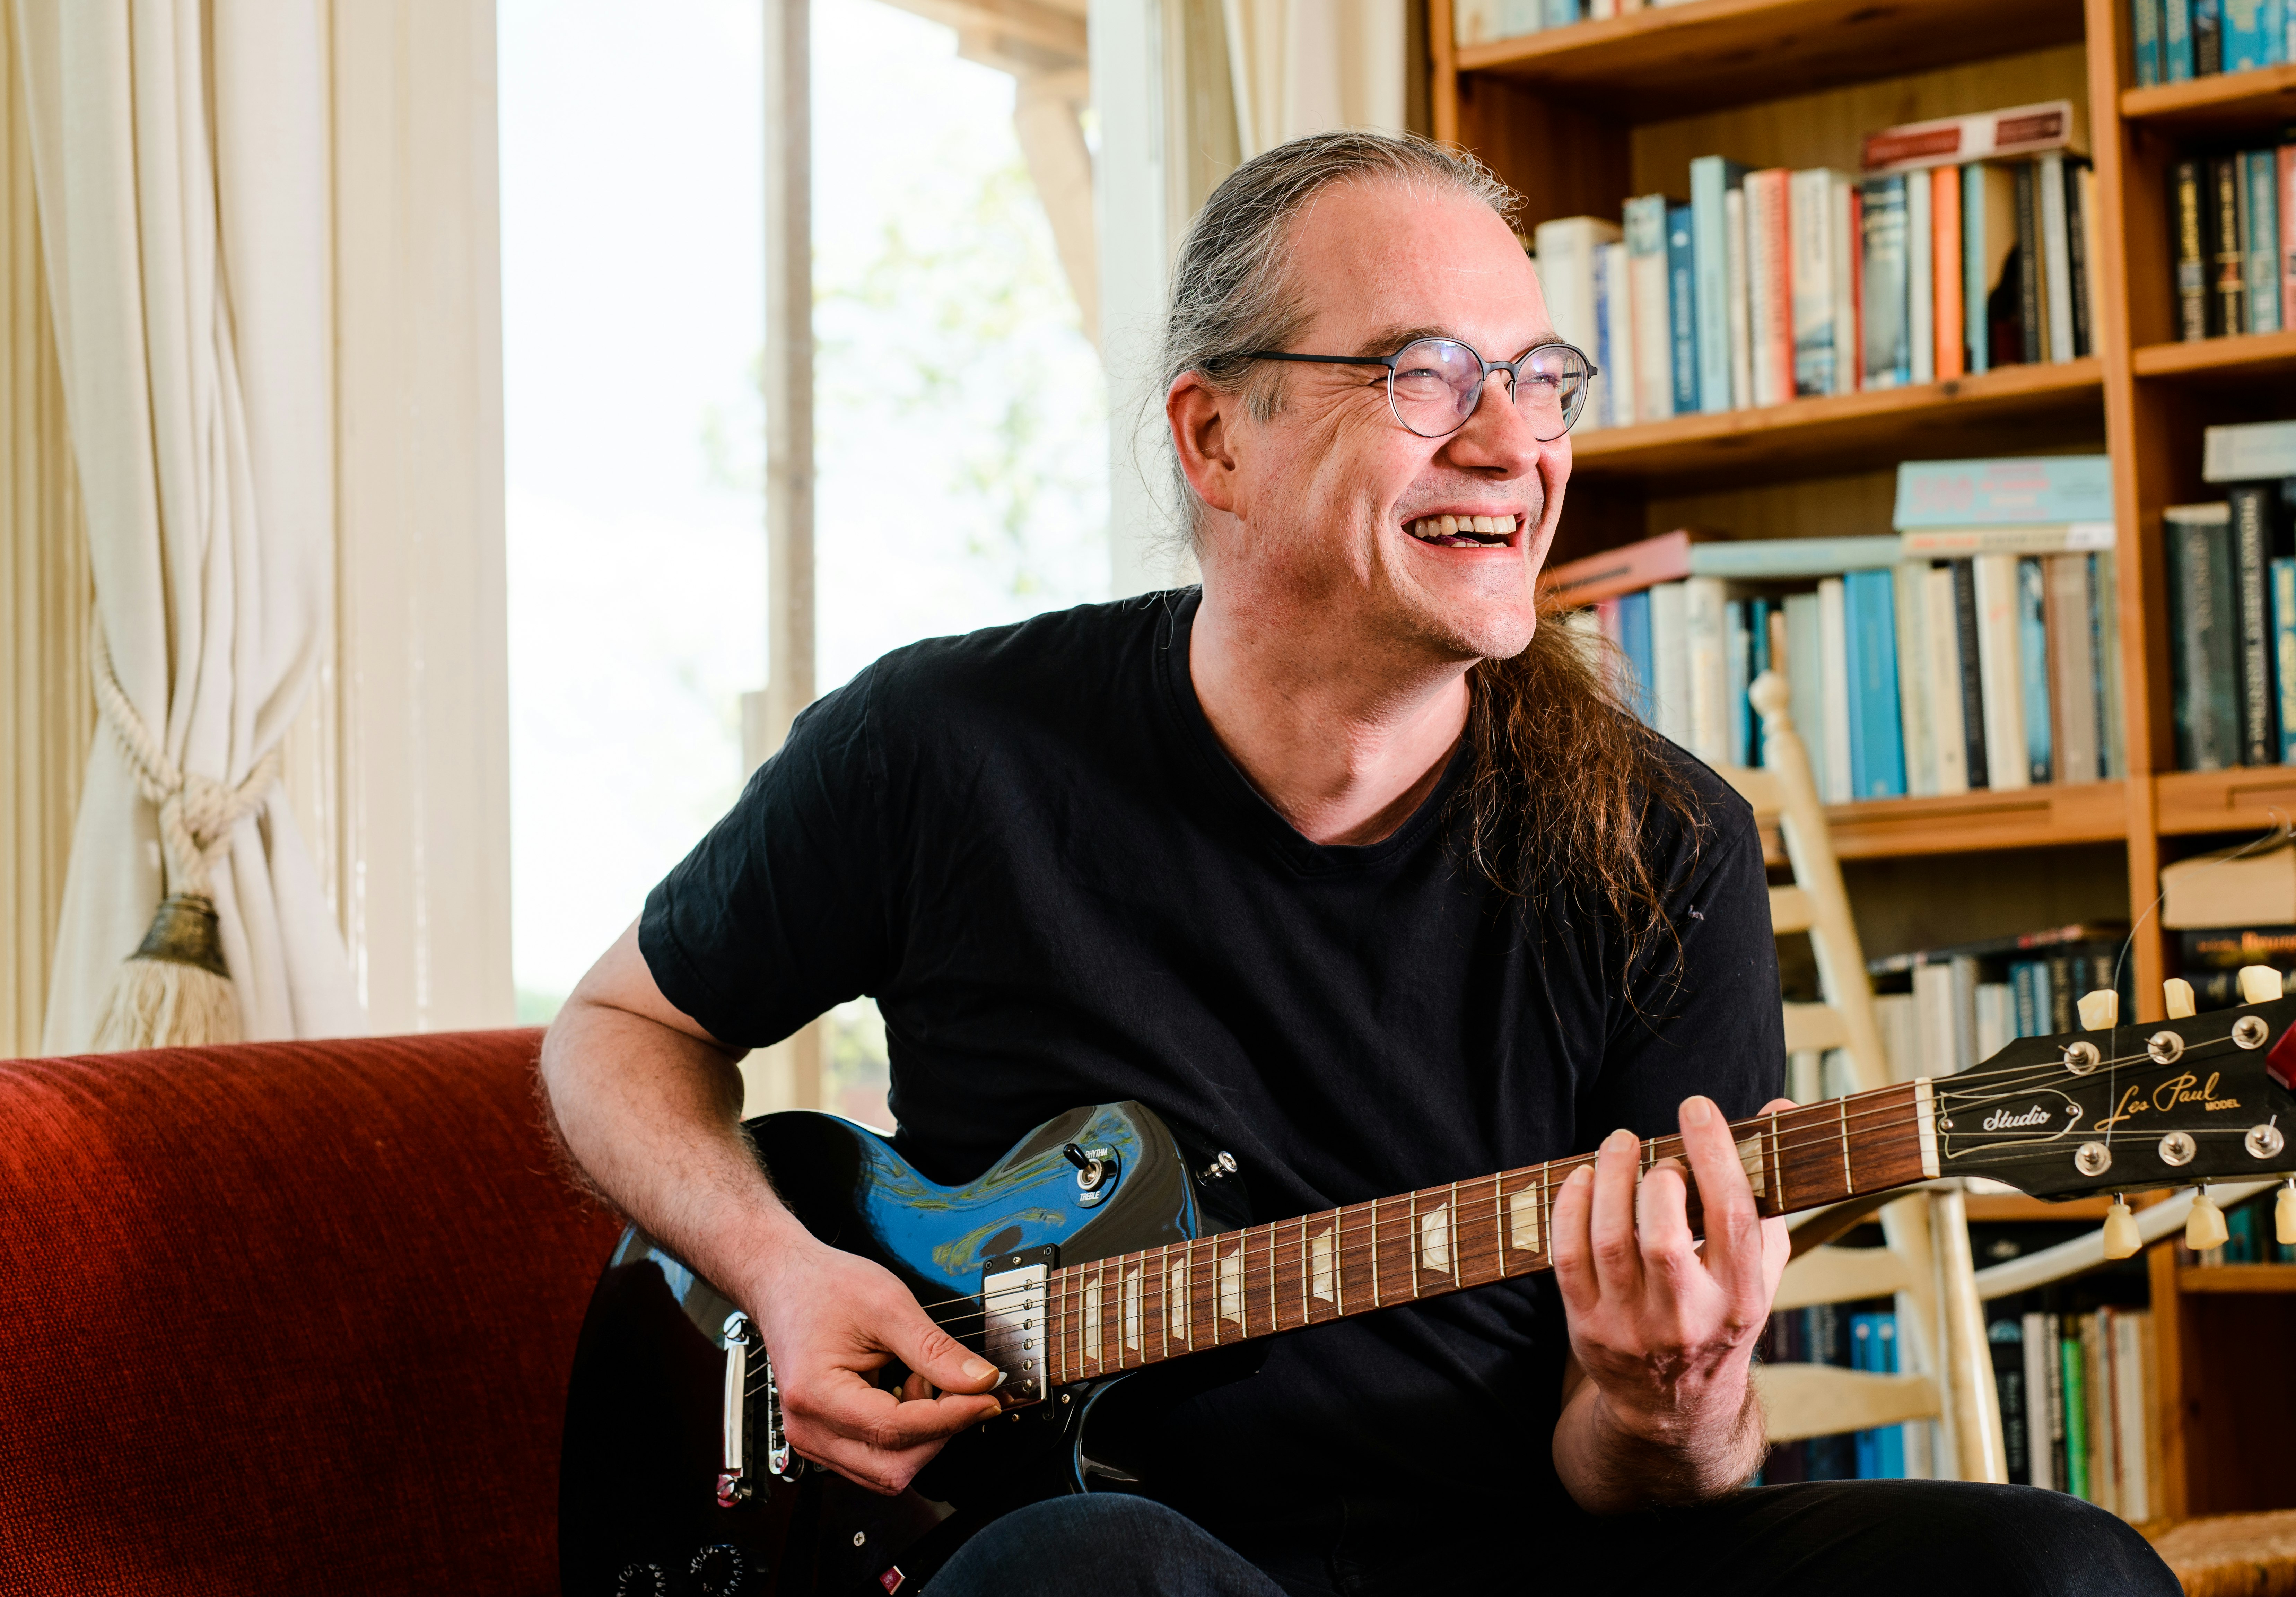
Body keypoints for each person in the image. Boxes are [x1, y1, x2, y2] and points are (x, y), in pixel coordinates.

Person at [539, 130, 2179, 1597]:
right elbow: (615, 1033)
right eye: (1424, 373)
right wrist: (787, 1271)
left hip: (1517, 1553)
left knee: (2061, 1567)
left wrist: (1661, 1399)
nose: (1508, 442)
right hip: (1083, 1547)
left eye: (1540, 380)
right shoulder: (943, 746)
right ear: (1215, 440)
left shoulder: (1662, 843)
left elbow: (1645, 1492)